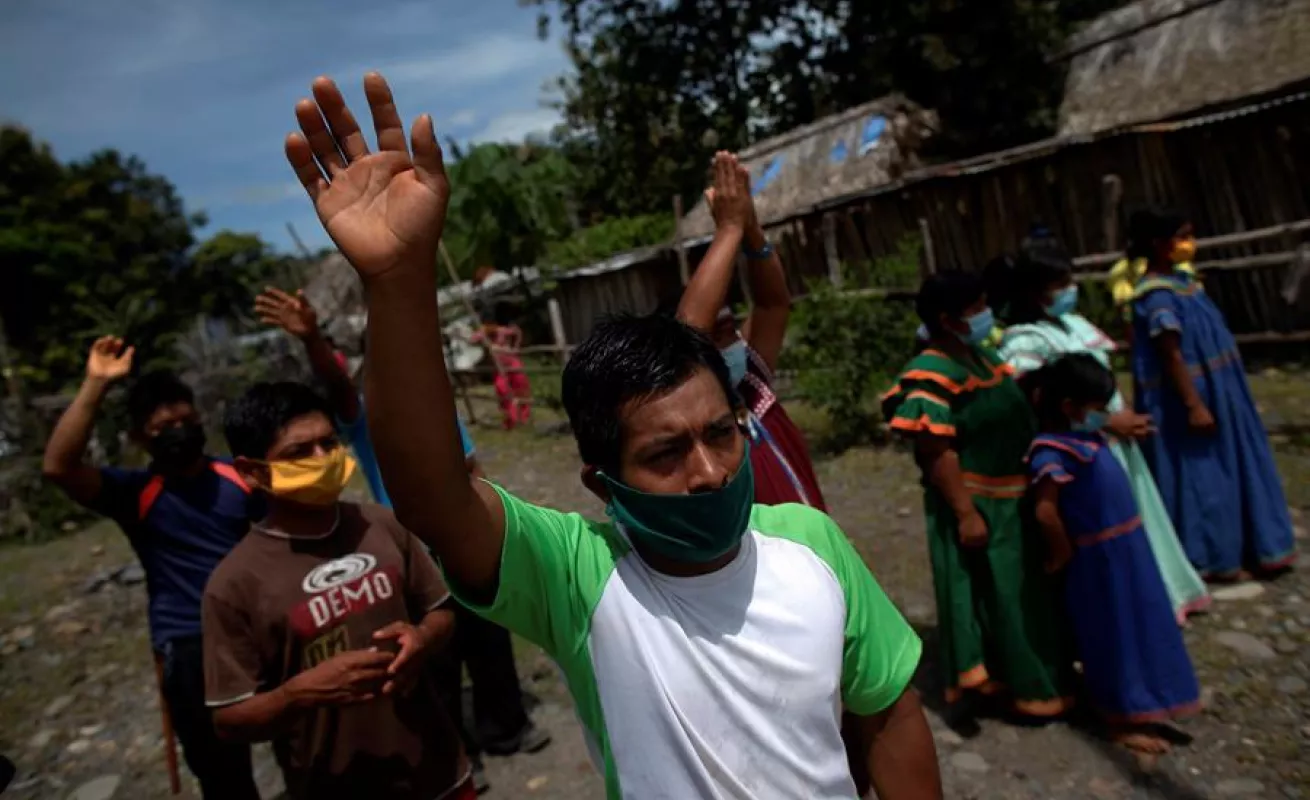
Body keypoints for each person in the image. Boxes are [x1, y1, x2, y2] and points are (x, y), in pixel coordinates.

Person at [281, 71, 942, 799]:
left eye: (721, 434)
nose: (711, 471)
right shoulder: (578, 575)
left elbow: (888, 715)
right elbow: (434, 497)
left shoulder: (813, 543)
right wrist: (399, 284)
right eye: (664, 453)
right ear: (602, 483)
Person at [254, 288, 550, 791]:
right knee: (432, 659)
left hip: (463, 540)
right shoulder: (367, 414)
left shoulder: (440, 411)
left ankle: (507, 726)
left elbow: (472, 469)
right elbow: (335, 383)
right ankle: (458, 750)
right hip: (411, 553)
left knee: (489, 635)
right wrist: (311, 339)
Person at [203, 381, 471, 799]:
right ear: (252, 472)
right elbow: (229, 719)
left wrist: (422, 638)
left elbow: (442, 611)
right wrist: (297, 694)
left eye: (329, 443)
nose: (323, 460)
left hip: (437, 771)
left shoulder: (382, 524)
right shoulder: (233, 585)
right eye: (298, 452)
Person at [41, 338, 259, 800]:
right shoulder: (133, 492)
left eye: (186, 421)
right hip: (189, 642)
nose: (180, 432)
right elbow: (59, 466)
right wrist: (95, 384)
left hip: (258, 628)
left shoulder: (239, 477)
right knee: (224, 776)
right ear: (141, 438)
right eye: (164, 428)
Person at [883, 273, 1073, 719]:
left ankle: (1030, 678)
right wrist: (966, 513)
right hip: (975, 502)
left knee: (1020, 594)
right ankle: (1001, 683)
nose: (984, 315)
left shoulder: (981, 357)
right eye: (975, 309)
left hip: (1013, 497)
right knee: (995, 594)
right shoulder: (929, 374)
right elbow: (936, 450)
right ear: (947, 320)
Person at [994, 242, 1210, 624]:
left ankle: (1161, 596)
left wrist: (1123, 413)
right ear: (1034, 291)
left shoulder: (1075, 325)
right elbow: (1036, 406)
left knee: (1139, 516)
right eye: (1059, 283)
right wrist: (1108, 422)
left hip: (1115, 444)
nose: (1069, 289)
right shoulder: (1025, 341)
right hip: (1080, 452)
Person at [1028, 354, 1201, 754]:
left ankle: (1146, 702)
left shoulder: (1085, 438)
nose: (1105, 415)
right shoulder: (1052, 450)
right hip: (1098, 561)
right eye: (1098, 409)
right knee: (1113, 636)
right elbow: (1046, 510)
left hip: (1126, 550)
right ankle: (1119, 717)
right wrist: (1061, 551)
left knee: (1141, 627)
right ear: (1070, 408)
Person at [1130, 209, 1296, 580]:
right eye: (1182, 236)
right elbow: (1171, 353)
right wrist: (1193, 404)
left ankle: (1257, 545)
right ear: (1159, 245)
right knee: (1206, 479)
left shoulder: (1182, 283)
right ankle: (1214, 556)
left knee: (1237, 465)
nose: (1191, 244)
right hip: (1192, 397)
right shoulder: (1157, 296)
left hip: (1221, 389)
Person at [675, 151, 827, 510]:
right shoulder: (698, 429)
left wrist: (751, 230)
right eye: (717, 334)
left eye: (732, 331)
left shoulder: (753, 387)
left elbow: (773, 304)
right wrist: (729, 229)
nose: (731, 344)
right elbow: (686, 336)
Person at [1107, 211, 1198, 341]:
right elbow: (1127, 313)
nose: (1190, 243)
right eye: (1183, 237)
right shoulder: (1122, 272)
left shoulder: (1182, 267)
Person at [471, 312, 532, 430]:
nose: (490, 328)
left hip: (513, 363)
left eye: (491, 325)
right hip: (499, 368)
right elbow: (471, 340)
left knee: (521, 389)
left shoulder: (502, 331)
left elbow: (517, 332)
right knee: (502, 389)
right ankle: (511, 419)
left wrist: (515, 348)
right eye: (487, 325)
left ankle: (523, 417)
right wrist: (482, 338)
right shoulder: (483, 333)